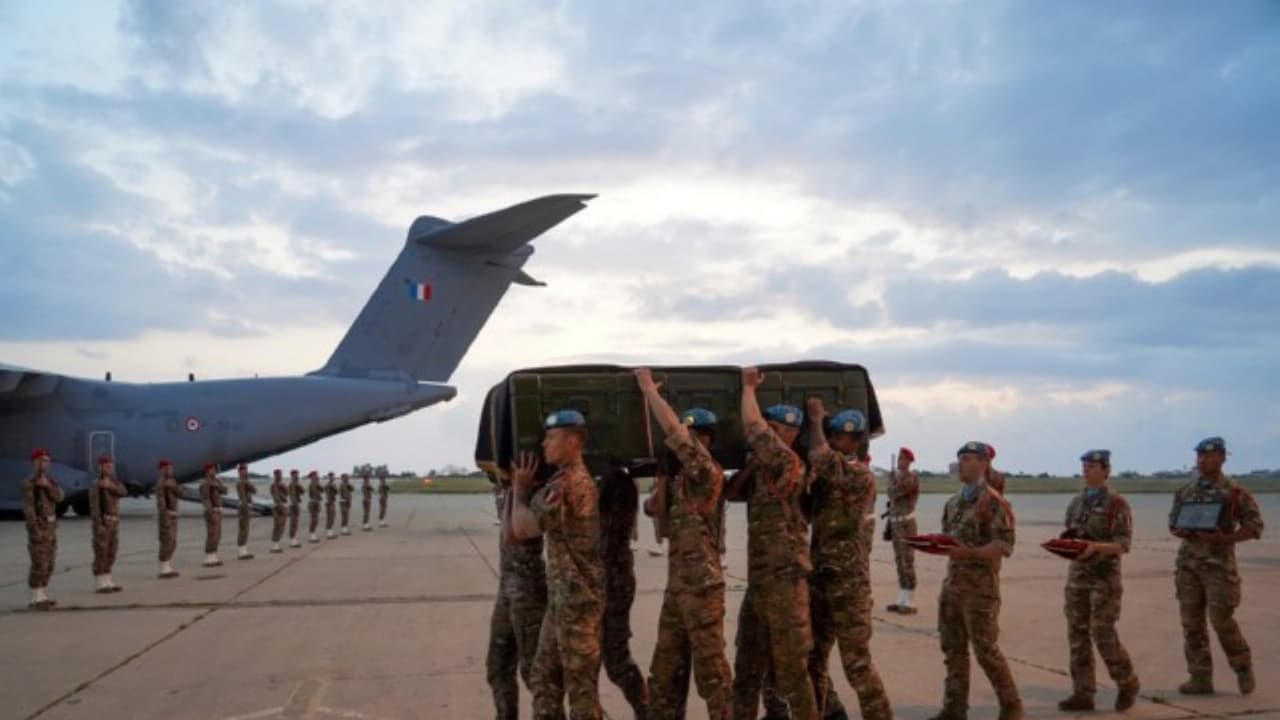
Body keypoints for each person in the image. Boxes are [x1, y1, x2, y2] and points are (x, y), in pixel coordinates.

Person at [636, 368, 732, 720]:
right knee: (665, 674)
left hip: (703, 587)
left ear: (706, 440)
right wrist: (662, 479)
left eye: (696, 435)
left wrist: (649, 390)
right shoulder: (680, 479)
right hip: (678, 587)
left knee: (712, 676)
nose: (689, 439)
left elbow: (673, 431)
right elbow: (652, 511)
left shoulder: (707, 471)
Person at [730, 368, 818, 720]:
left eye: (774, 429)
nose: (766, 433)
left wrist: (748, 388)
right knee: (746, 669)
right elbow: (731, 494)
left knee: (793, 674)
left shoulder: (787, 462)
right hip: (760, 586)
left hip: (785, 587)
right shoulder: (765, 469)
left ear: (789, 433)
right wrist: (750, 468)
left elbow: (752, 427)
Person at [509, 409, 605, 720]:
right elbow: (517, 531)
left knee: (581, 693)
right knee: (543, 676)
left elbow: (522, 529)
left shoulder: (568, 484)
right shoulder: (560, 482)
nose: (543, 444)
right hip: (564, 601)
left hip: (577, 603)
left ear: (573, 441)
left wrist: (520, 491)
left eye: (551, 438)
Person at [803, 399, 891, 720]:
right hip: (821, 578)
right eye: (834, 434)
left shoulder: (858, 475)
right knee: (813, 658)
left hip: (849, 584)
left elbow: (819, 455)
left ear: (855, 440)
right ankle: (829, 712)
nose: (835, 439)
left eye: (840, 435)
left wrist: (815, 421)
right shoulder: (830, 477)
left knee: (856, 663)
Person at [930, 442, 1022, 720]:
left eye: (968, 459)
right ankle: (954, 709)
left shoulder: (993, 503)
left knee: (986, 652)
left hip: (980, 592)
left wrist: (968, 552)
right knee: (953, 651)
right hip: (953, 587)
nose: (962, 464)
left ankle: (1011, 707)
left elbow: (1003, 546)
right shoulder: (953, 503)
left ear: (984, 464)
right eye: (960, 459)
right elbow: (948, 539)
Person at [1169, 436, 1263, 696]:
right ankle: (1200, 678)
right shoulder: (1186, 491)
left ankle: (1242, 666)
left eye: (1209, 455)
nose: (1202, 460)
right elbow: (1173, 523)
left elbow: (1255, 527)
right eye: (1199, 455)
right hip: (1188, 567)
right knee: (1192, 624)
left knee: (1222, 621)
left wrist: (1227, 538)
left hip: (1218, 568)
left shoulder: (1235, 493)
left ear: (1222, 458)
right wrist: (1183, 529)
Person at [1057, 450, 1139, 712]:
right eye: (1084, 466)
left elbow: (1123, 544)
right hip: (1078, 578)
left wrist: (1096, 547)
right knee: (1077, 635)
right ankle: (1083, 692)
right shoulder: (1076, 502)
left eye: (1092, 466)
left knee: (1103, 633)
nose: (1086, 470)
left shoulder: (1116, 504)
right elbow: (1072, 532)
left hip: (1104, 579)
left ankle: (1127, 682)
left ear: (1106, 470)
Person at [487, 471, 549, 720]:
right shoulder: (511, 491)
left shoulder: (535, 491)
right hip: (507, 588)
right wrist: (511, 488)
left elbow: (514, 534)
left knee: (535, 675)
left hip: (529, 592)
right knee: (497, 667)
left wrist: (519, 489)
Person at [599, 464, 650, 717]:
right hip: (605, 579)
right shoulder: (608, 482)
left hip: (612, 580)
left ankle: (646, 710)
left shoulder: (618, 483)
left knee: (616, 659)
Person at [23, 448, 63, 609]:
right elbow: (29, 509)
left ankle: (43, 594)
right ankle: (35, 596)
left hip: (51, 527)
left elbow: (59, 497)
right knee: (39, 562)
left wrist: (47, 486)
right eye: (39, 460)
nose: (43, 463)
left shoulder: (50, 481)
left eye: (46, 460)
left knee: (49, 562)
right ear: (34, 463)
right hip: (39, 526)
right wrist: (35, 529)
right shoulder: (29, 484)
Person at [885, 447, 920, 614]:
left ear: (908, 461)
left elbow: (893, 493)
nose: (899, 461)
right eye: (898, 458)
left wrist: (891, 481)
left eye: (902, 459)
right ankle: (902, 597)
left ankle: (910, 600)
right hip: (896, 524)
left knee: (907, 561)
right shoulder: (898, 477)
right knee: (899, 561)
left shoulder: (911, 478)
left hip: (906, 525)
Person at [89, 454, 127, 593]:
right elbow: (94, 507)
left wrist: (110, 486)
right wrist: (98, 524)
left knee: (112, 551)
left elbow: (123, 491)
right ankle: (100, 582)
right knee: (101, 552)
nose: (109, 469)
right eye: (106, 466)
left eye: (110, 466)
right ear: (100, 468)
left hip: (114, 522)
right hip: (103, 522)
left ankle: (108, 580)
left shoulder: (114, 483)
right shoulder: (96, 484)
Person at [156, 459, 182, 578]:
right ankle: (163, 568)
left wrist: (174, 486)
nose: (171, 470)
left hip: (173, 514)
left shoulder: (172, 481)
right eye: (169, 468)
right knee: (167, 540)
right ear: (163, 469)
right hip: (167, 515)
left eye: (171, 468)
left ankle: (167, 565)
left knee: (173, 541)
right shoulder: (161, 482)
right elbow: (160, 500)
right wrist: (165, 514)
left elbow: (180, 494)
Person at [200, 464, 227, 567]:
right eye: (212, 470)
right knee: (212, 534)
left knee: (217, 534)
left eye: (215, 470)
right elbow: (205, 499)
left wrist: (217, 485)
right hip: (211, 511)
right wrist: (210, 512)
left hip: (218, 510)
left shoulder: (216, 481)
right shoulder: (205, 484)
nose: (214, 471)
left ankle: (214, 556)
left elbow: (225, 490)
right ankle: (208, 557)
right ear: (207, 471)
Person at [235, 463, 256, 560]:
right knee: (243, 529)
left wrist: (248, 482)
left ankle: (244, 549)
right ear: (239, 471)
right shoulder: (240, 482)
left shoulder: (246, 481)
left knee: (246, 529)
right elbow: (242, 496)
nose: (245, 471)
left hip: (247, 506)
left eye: (246, 470)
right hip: (243, 507)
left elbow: (254, 490)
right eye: (243, 470)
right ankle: (241, 551)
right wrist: (245, 507)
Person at [269, 469, 289, 553]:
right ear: (275, 475)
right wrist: (280, 505)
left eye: (280, 474)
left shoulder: (281, 484)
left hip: (283, 505)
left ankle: (276, 544)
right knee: (278, 525)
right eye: (278, 474)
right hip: (278, 506)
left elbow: (287, 493)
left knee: (282, 526)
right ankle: (275, 545)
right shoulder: (274, 485)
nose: (280, 476)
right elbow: (276, 496)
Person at [287, 469, 304, 548]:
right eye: (295, 474)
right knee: (293, 523)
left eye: (297, 474)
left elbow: (303, 491)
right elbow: (292, 496)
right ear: (292, 475)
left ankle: (294, 539)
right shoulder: (292, 484)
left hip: (296, 504)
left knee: (296, 523)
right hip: (293, 505)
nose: (297, 476)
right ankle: (292, 540)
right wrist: (295, 505)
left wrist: (298, 484)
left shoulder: (296, 484)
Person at [307, 471, 323, 543]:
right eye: (315, 475)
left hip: (316, 502)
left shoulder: (316, 483)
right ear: (312, 477)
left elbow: (322, 490)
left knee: (316, 520)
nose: (317, 476)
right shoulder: (312, 484)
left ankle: (313, 534)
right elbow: (315, 494)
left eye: (317, 475)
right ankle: (311, 535)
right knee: (314, 520)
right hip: (313, 503)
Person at [324, 472, 338, 539]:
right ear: (329, 477)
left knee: (332, 517)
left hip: (332, 502)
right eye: (331, 476)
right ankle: (328, 533)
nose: (333, 478)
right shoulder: (328, 485)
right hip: (329, 503)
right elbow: (327, 494)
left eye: (333, 476)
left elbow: (336, 492)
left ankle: (330, 532)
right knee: (330, 518)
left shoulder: (333, 484)